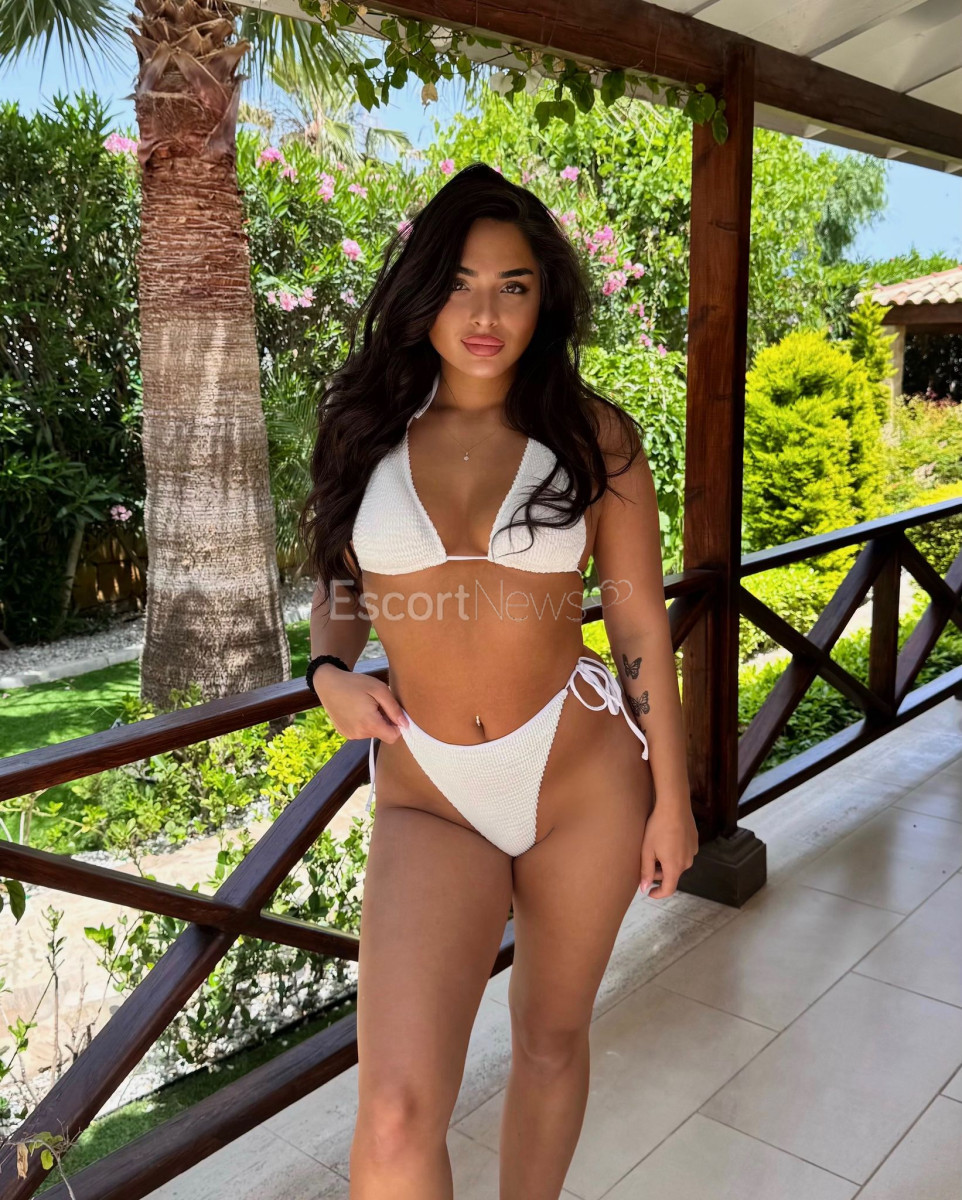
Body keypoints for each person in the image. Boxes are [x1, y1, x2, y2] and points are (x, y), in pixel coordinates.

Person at [299, 162, 697, 1199]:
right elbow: (337, 587)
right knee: (394, 1113)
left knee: (551, 1042)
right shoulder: (364, 432)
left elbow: (637, 622)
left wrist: (672, 797)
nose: (485, 315)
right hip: (429, 789)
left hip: (581, 779)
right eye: (461, 284)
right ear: (422, 291)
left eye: (513, 286)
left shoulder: (594, 437)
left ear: (543, 297)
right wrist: (327, 670)